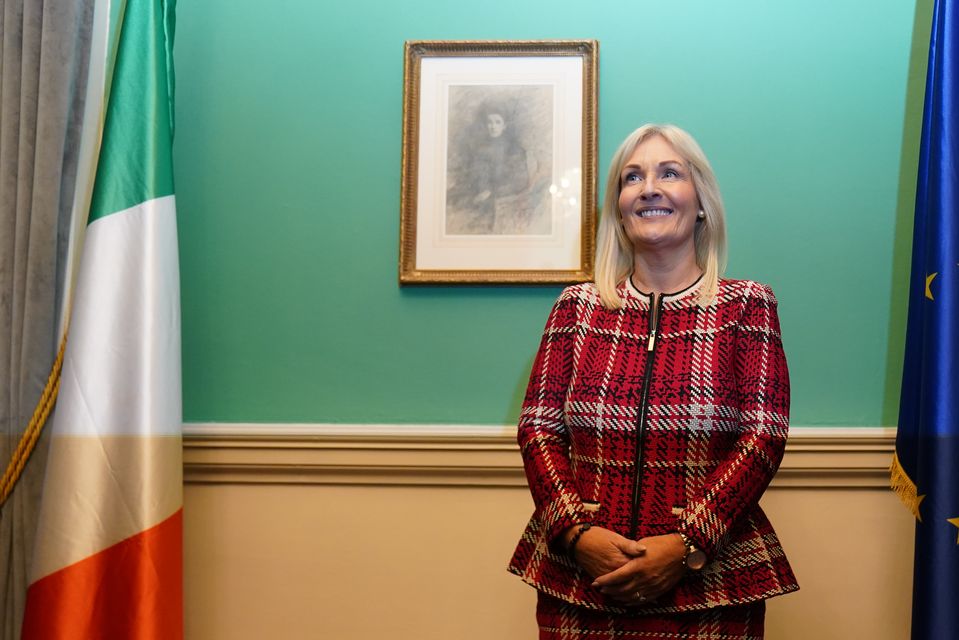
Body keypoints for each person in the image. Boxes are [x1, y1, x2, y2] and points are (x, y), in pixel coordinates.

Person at [507, 124, 798, 639]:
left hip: (709, 586)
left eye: (670, 173)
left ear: (701, 201)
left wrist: (687, 545)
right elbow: (538, 431)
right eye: (632, 177)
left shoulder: (747, 305)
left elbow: (763, 438)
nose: (649, 188)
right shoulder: (576, 309)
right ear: (619, 208)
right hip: (583, 583)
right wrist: (576, 535)